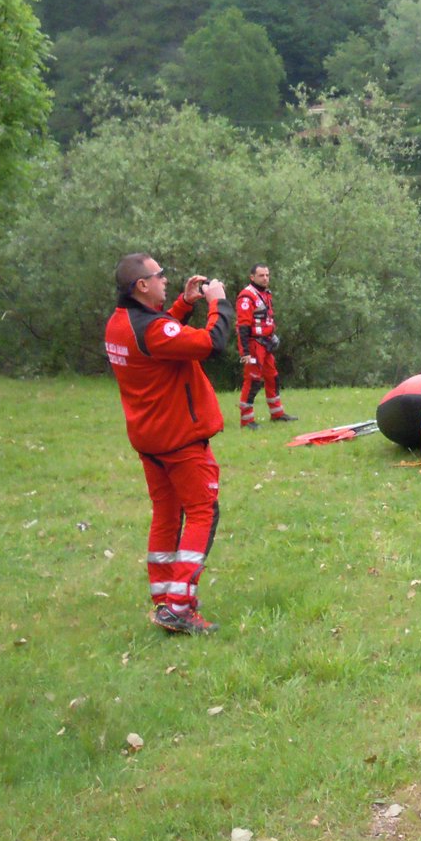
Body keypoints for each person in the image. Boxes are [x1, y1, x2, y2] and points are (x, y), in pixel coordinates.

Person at [104, 253, 232, 635]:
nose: (165, 280)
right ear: (141, 285)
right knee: (202, 512)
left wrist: (183, 304)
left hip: (150, 439)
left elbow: (158, 338)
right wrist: (218, 302)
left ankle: (163, 598)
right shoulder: (151, 329)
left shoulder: (119, 323)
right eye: (159, 276)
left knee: (166, 513)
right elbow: (214, 343)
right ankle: (179, 606)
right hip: (178, 438)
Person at [236, 263, 293, 430]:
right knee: (252, 380)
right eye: (261, 275)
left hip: (266, 343)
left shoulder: (266, 294)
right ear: (252, 277)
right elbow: (243, 327)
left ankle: (277, 413)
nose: (265, 278)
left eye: (267, 275)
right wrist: (245, 352)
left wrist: (272, 334)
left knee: (272, 377)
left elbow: (266, 318)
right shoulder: (247, 297)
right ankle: (246, 420)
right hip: (254, 344)